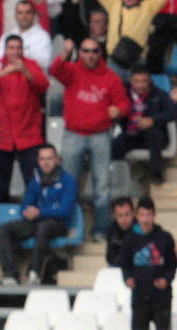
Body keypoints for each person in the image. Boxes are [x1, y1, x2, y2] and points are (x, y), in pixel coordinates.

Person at [51, 39, 127, 238]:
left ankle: (101, 229)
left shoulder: (111, 77)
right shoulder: (71, 71)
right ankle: (68, 227)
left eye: (94, 51)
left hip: (100, 136)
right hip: (73, 134)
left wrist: (118, 110)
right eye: (85, 51)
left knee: (102, 187)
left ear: (100, 53)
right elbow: (54, 69)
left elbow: (124, 103)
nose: (90, 54)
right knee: (69, 185)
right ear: (80, 52)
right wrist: (65, 51)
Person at [0, 35, 48, 203]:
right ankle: (1, 221)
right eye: (11, 48)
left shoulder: (30, 65)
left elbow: (43, 85)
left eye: (18, 48)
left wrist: (26, 72)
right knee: (0, 185)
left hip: (28, 135)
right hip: (2, 136)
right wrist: (2, 73)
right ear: (5, 50)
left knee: (33, 183)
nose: (15, 52)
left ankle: (33, 220)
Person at [0, 143, 77, 284]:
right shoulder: (35, 181)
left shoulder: (68, 180)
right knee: (2, 229)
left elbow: (65, 210)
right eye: (42, 159)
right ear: (38, 161)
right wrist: (27, 212)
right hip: (37, 221)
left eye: (50, 158)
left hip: (59, 224)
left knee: (43, 227)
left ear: (57, 160)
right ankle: (10, 275)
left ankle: (35, 272)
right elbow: (24, 205)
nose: (46, 163)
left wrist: (40, 212)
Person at [112, 68, 177, 184]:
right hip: (131, 133)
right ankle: (116, 177)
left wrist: (153, 120)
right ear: (131, 81)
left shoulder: (158, 94)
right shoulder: (123, 91)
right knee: (117, 143)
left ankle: (156, 175)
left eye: (144, 81)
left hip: (154, 135)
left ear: (150, 81)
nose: (140, 85)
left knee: (153, 134)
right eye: (136, 81)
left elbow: (173, 112)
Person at [121, 196, 176, 330]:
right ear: (136, 216)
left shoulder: (165, 238)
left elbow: (172, 265)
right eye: (142, 215)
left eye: (148, 214)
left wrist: (166, 279)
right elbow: (125, 264)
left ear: (154, 215)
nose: (145, 219)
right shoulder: (129, 239)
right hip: (140, 295)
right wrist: (127, 278)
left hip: (161, 297)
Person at [0, 0, 53, 69]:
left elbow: (45, 63)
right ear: (16, 16)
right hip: (7, 77)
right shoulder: (6, 36)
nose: (24, 16)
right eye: (20, 13)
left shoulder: (43, 37)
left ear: (34, 15)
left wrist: (17, 59)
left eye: (27, 13)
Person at [105, 195, 135, 266]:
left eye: (127, 214)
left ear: (133, 214)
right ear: (114, 216)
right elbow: (110, 257)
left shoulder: (142, 228)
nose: (124, 219)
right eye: (120, 215)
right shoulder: (112, 230)